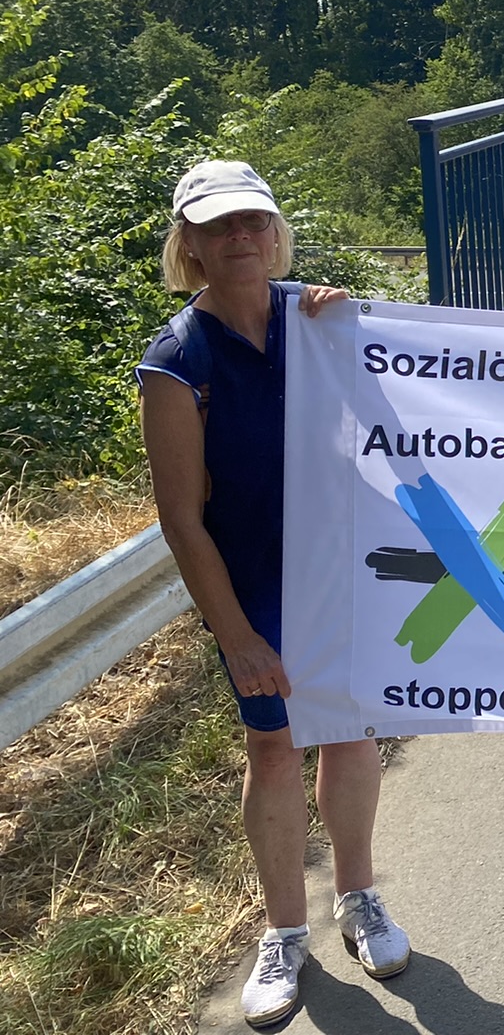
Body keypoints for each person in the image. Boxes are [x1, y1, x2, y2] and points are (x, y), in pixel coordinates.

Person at [139, 162, 410, 1027]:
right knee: (274, 750)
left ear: (274, 230)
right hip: (252, 582)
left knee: (354, 734)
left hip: (343, 568)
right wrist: (237, 635)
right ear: (191, 244)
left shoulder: (320, 319)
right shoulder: (177, 360)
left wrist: (350, 329)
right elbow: (182, 520)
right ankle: (285, 929)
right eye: (219, 228)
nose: (240, 239)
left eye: (253, 222)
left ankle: (358, 896)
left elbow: (394, 419)